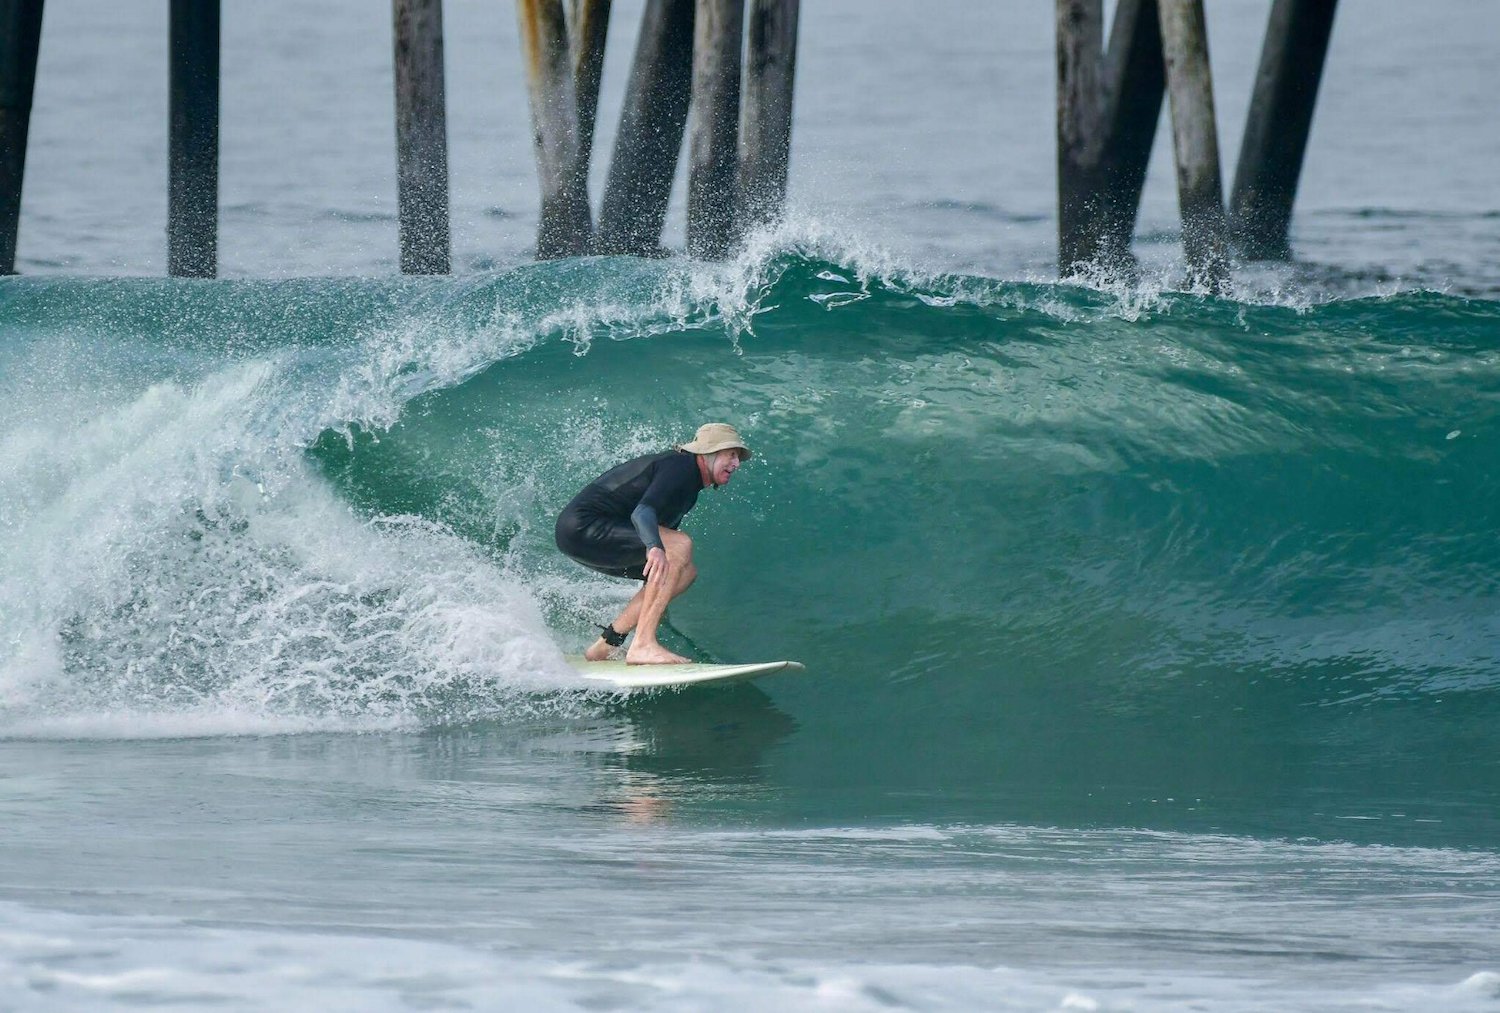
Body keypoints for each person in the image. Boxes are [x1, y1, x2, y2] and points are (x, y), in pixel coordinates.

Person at [554, 422, 751, 665]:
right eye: (731, 454)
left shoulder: (690, 485)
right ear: (708, 452)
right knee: (679, 545)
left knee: (686, 573)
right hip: (584, 527)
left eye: (738, 457)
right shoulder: (681, 467)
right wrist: (655, 547)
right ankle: (643, 644)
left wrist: (658, 595)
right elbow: (642, 513)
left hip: (587, 534)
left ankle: (605, 646)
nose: (736, 464)